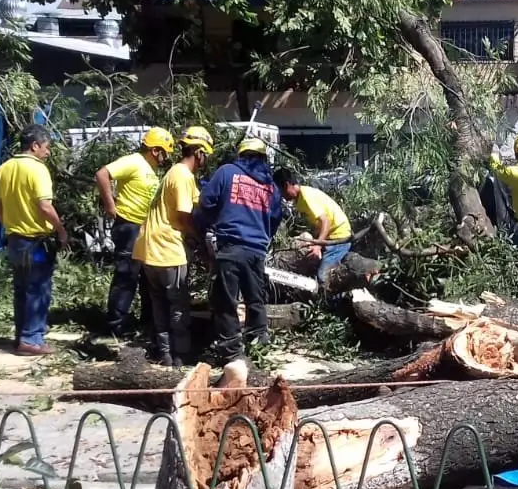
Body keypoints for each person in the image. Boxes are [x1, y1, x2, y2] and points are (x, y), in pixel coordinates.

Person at [195, 137, 283, 363]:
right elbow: (274, 219)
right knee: (255, 299)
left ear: (241, 155)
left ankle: (231, 350)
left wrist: (208, 223)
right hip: (257, 250)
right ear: (264, 159)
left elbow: (206, 203)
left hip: (231, 247)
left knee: (225, 301)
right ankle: (259, 344)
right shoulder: (270, 186)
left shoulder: (226, 172)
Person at [133, 126, 215, 367]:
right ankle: (181, 356)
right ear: (199, 152)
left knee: (159, 307)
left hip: (151, 248)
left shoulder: (173, 173)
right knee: (177, 307)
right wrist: (199, 238)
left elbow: (197, 202)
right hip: (168, 249)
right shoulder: (182, 175)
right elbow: (182, 217)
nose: (206, 160)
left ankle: (166, 354)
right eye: (206, 155)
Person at [0, 126, 69, 356]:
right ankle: (31, 340)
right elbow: (45, 205)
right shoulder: (37, 170)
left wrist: (7, 224)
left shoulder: (4, 168)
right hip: (35, 241)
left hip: (15, 238)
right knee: (38, 290)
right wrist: (61, 230)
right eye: (46, 147)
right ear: (35, 146)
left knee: (21, 288)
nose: (48, 153)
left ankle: (21, 335)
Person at [95, 127, 176, 337]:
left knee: (146, 278)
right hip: (129, 226)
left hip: (144, 228)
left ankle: (145, 324)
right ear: (156, 150)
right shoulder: (133, 161)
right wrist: (110, 206)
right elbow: (102, 174)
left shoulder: (149, 169)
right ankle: (116, 326)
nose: (165, 158)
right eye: (165, 153)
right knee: (126, 276)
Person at [274, 168, 353, 287]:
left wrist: (317, 245)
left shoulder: (306, 197)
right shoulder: (298, 201)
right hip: (330, 237)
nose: (282, 196)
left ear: (287, 185)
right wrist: (313, 241)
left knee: (323, 276)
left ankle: (333, 302)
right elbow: (318, 224)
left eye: (281, 191)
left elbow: (325, 221)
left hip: (340, 237)